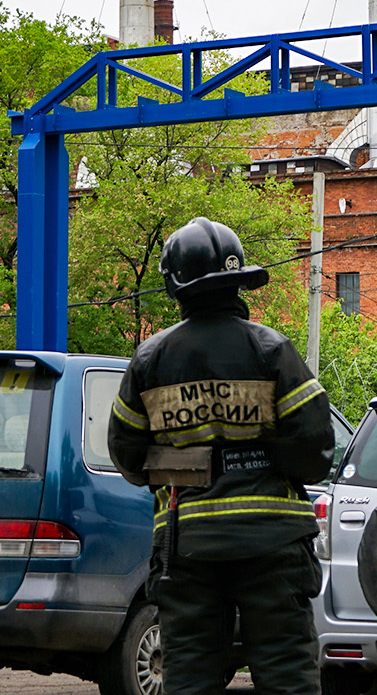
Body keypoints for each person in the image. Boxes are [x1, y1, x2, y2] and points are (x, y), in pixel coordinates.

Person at [108, 218, 335, 695]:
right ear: (237, 279)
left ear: (176, 285)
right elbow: (316, 451)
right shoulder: (271, 349)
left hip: (187, 545)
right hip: (274, 541)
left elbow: (127, 457)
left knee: (189, 675)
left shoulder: (150, 360)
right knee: (287, 673)